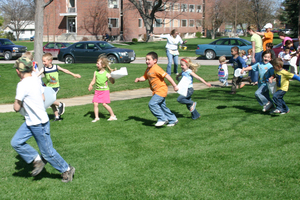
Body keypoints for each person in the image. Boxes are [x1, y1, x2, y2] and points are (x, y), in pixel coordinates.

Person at [11, 57, 75, 182]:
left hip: (39, 123)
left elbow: (16, 107)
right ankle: (37, 160)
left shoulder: (22, 85)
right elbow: (43, 98)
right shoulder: (36, 80)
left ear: (19, 71)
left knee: (48, 153)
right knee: (16, 142)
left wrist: (22, 102)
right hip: (30, 121)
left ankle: (67, 169)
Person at [135, 52, 179, 127]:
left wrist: (175, 85)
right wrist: (139, 79)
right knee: (162, 106)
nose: (147, 61)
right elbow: (145, 77)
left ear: (155, 60)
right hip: (156, 91)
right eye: (146, 59)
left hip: (161, 90)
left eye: (149, 59)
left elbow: (167, 76)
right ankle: (173, 119)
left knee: (152, 104)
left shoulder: (156, 68)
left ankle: (162, 119)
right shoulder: (148, 69)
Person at [37, 53, 81, 121]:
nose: (43, 63)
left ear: (50, 60)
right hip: (48, 88)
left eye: (44, 61)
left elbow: (65, 70)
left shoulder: (55, 67)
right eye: (43, 61)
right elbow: (37, 75)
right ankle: (57, 117)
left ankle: (60, 104)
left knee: (49, 100)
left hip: (55, 87)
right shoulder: (43, 69)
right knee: (51, 104)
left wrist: (73, 74)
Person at [88, 55, 117, 122]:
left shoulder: (107, 74)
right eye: (97, 63)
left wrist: (112, 76)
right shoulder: (96, 72)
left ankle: (113, 115)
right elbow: (93, 81)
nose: (96, 65)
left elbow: (112, 82)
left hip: (104, 91)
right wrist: (90, 85)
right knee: (95, 103)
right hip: (97, 90)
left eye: (98, 64)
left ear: (103, 65)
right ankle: (96, 118)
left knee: (104, 104)